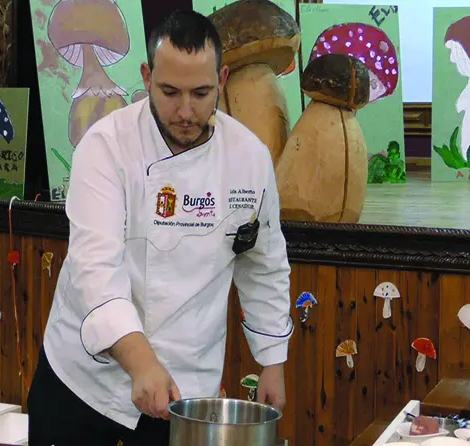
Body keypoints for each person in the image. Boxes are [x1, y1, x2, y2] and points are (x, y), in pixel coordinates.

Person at [27, 10, 293, 446]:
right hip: (84, 384)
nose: (186, 111)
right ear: (146, 76)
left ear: (222, 79)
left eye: (202, 93)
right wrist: (140, 361)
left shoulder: (248, 158)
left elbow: (262, 265)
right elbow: (96, 272)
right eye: (170, 92)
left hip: (186, 388)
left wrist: (272, 362)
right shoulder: (106, 146)